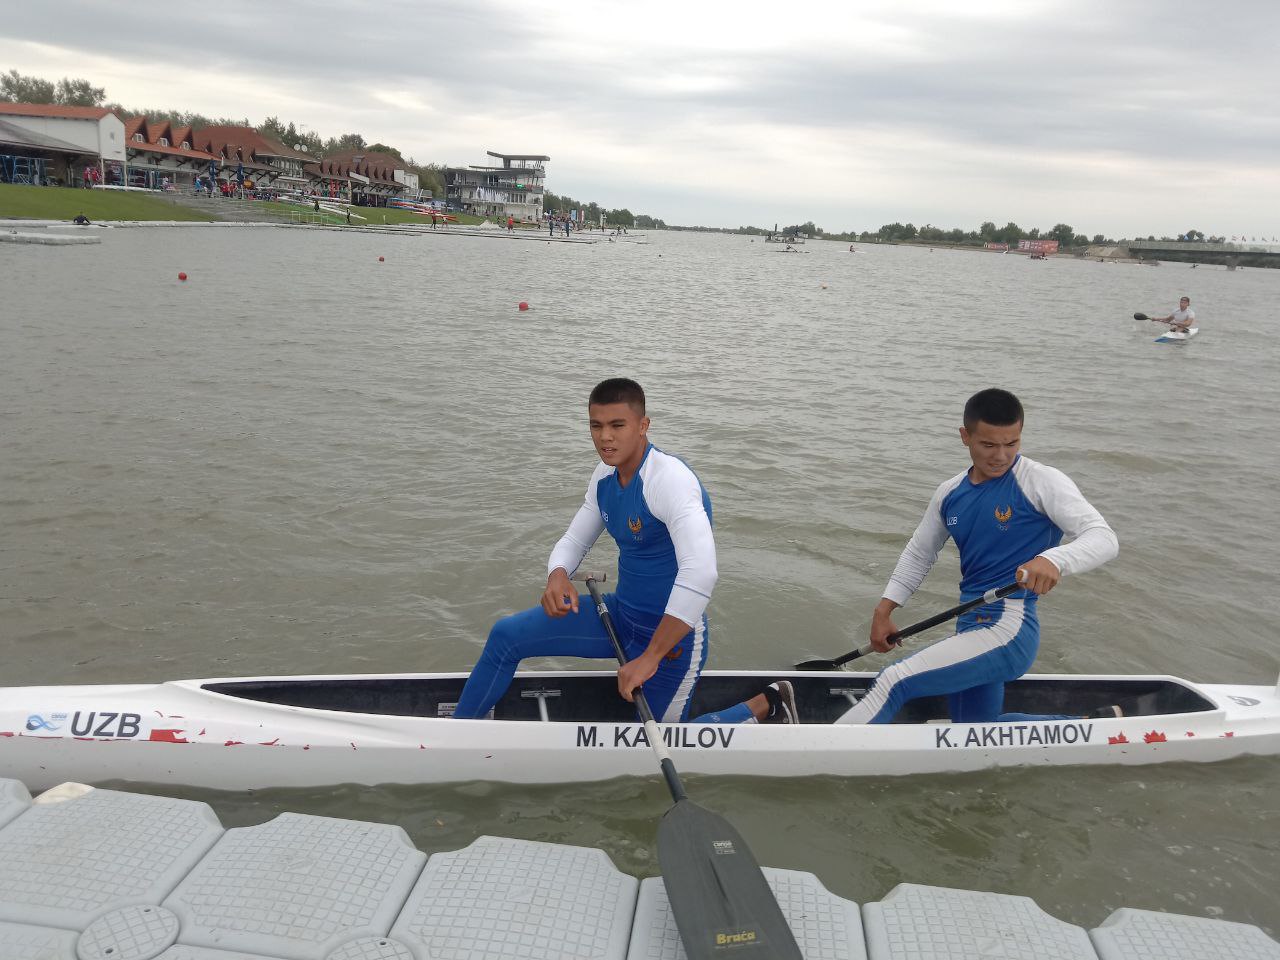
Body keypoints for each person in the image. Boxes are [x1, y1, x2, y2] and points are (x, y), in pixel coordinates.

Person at [453, 378, 796, 724]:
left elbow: (702, 573)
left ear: (643, 425)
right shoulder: (605, 476)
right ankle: (457, 732)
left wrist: (651, 657)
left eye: (617, 425)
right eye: (596, 426)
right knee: (505, 636)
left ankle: (765, 704)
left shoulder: (669, 481)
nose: (605, 437)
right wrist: (557, 574)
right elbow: (575, 541)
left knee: (654, 746)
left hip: (670, 645)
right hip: (620, 618)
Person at [838, 388, 1119, 725]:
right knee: (973, 731)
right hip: (970, 624)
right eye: (988, 445)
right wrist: (884, 610)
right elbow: (919, 554)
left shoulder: (1040, 481)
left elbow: (1103, 538)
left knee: (893, 680)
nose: (1001, 456)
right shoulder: (949, 493)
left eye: (1011, 443)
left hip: (1008, 628)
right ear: (965, 436)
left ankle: (822, 750)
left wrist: (1055, 560)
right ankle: (1093, 725)